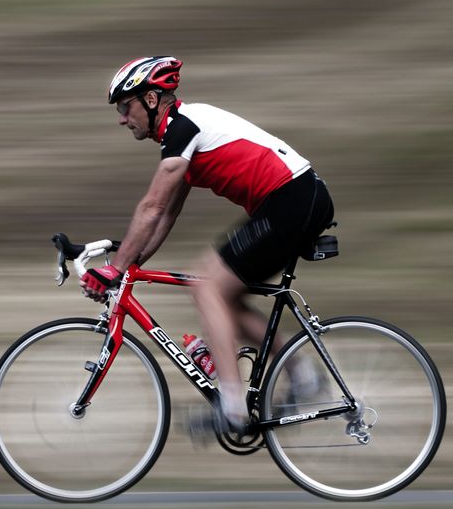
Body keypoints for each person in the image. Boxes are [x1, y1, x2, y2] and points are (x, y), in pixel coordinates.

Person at [81, 55, 334, 434]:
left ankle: (232, 407)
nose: (121, 117)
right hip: (293, 200)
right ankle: (302, 375)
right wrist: (129, 264)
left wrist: (115, 268)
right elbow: (165, 215)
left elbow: (150, 207)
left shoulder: (184, 128)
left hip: (292, 200)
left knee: (207, 286)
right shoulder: (180, 135)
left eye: (125, 106)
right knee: (222, 294)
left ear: (151, 100)